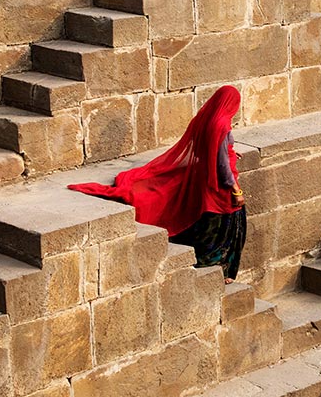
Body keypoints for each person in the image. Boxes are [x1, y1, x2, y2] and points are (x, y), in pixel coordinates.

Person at [70, 85, 247, 281]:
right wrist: (235, 189)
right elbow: (222, 166)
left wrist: (229, 151)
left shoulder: (209, 119)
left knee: (208, 222)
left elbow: (206, 150)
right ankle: (220, 268)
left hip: (206, 178)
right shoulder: (221, 125)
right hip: (219, 188)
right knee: (228, 228)